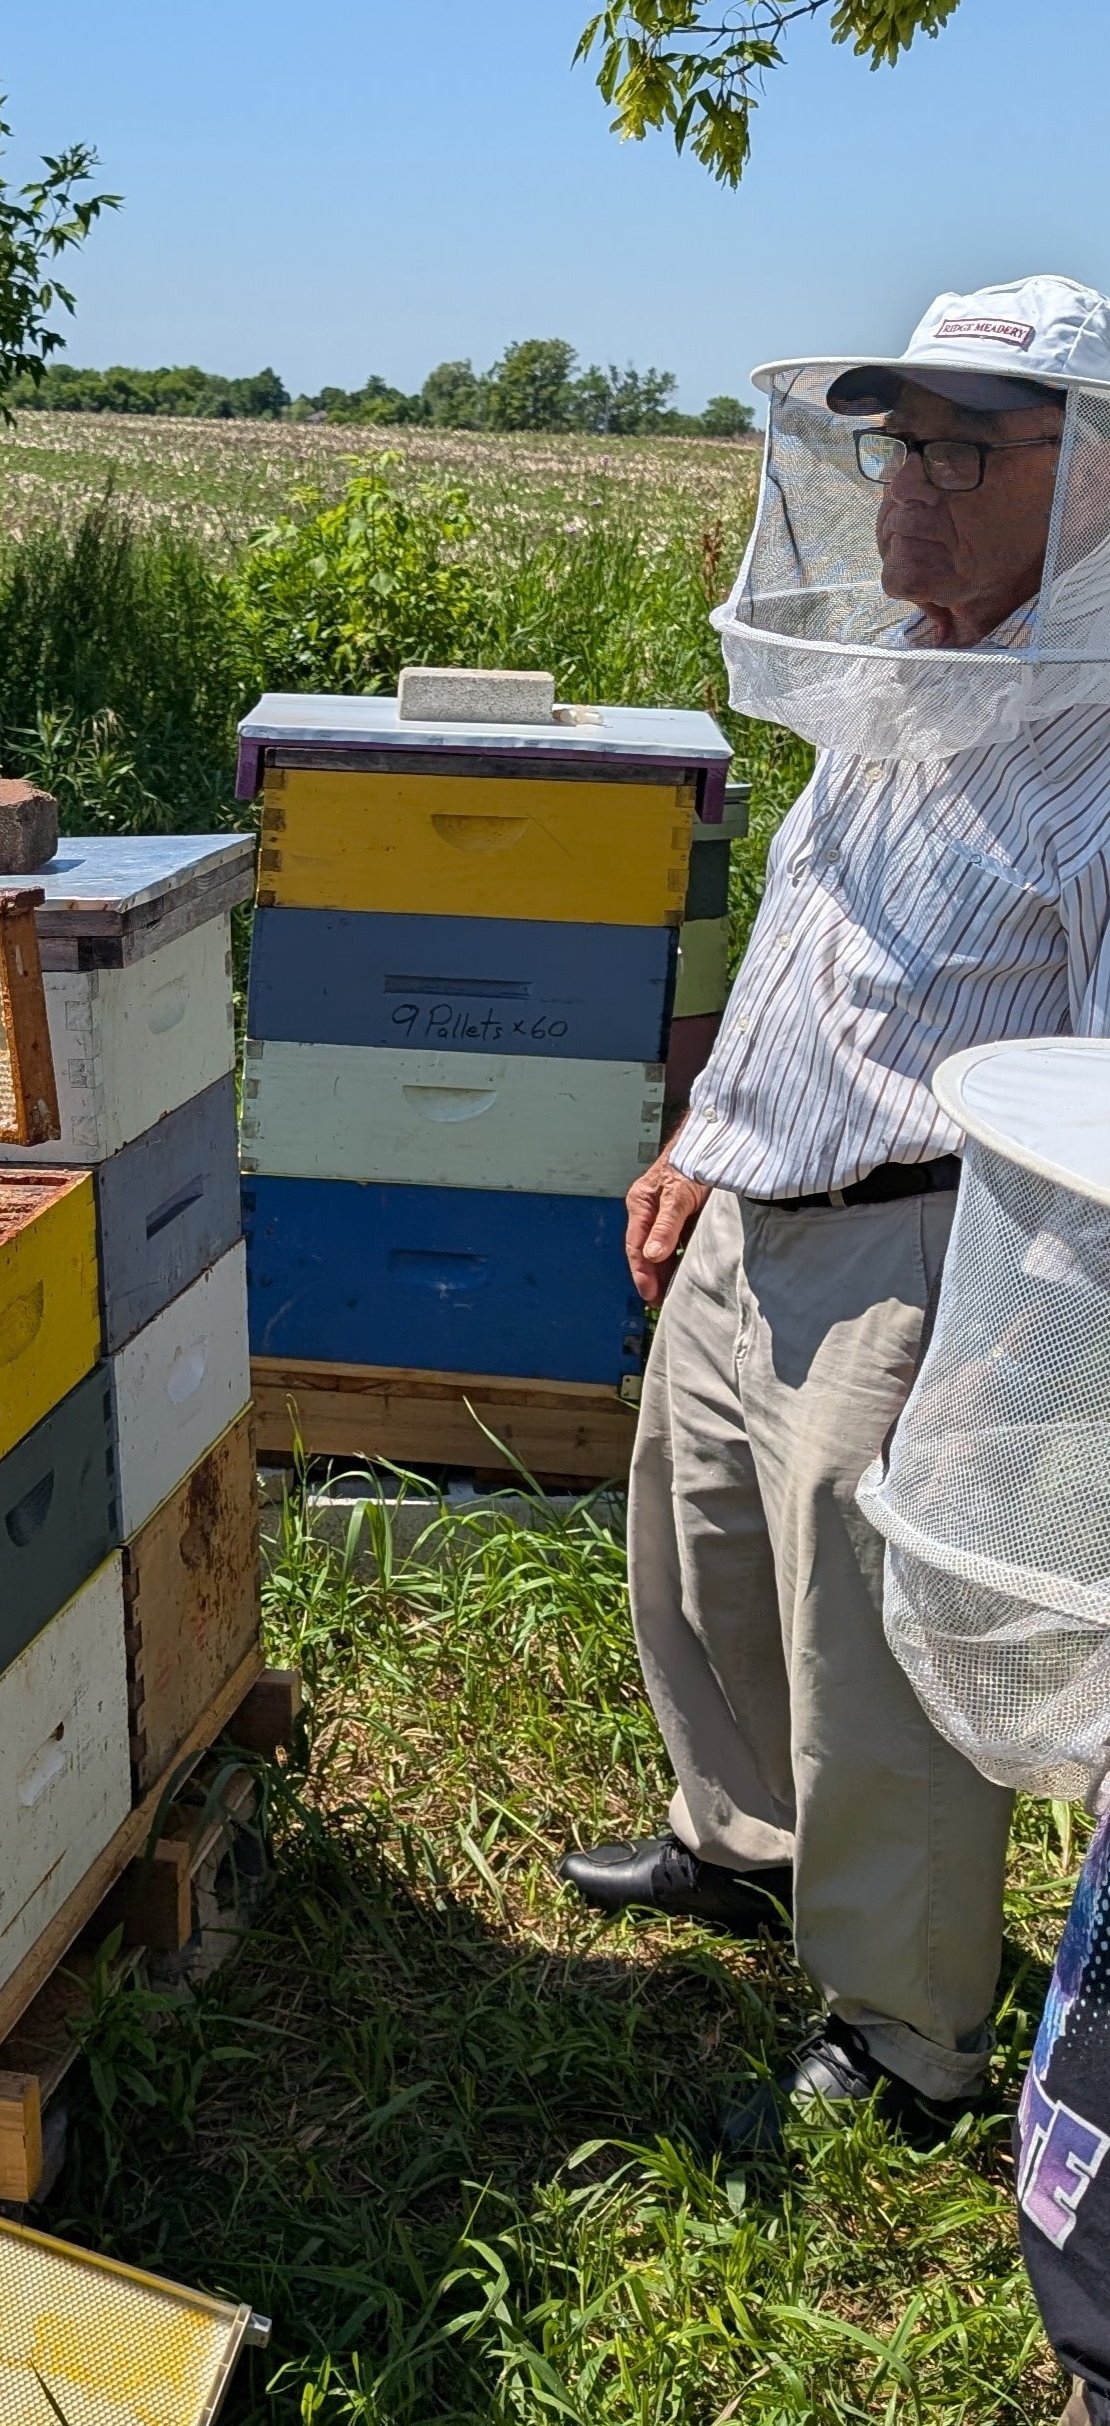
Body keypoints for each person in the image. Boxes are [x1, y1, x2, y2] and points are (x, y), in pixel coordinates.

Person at [557, 275, 1110, 2153]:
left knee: (871, 1656)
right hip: (757, 1206)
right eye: (898, 442)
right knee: (702, 1546)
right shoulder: (896, 672)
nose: (910, 488)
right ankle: (747, 1845)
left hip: (925, 1248)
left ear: (1096, 475)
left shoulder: (1104, 744)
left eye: (970, 445)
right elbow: (810, 950)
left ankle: (907, 2034)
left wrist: (1027, 1336)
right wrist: (700, 1139)